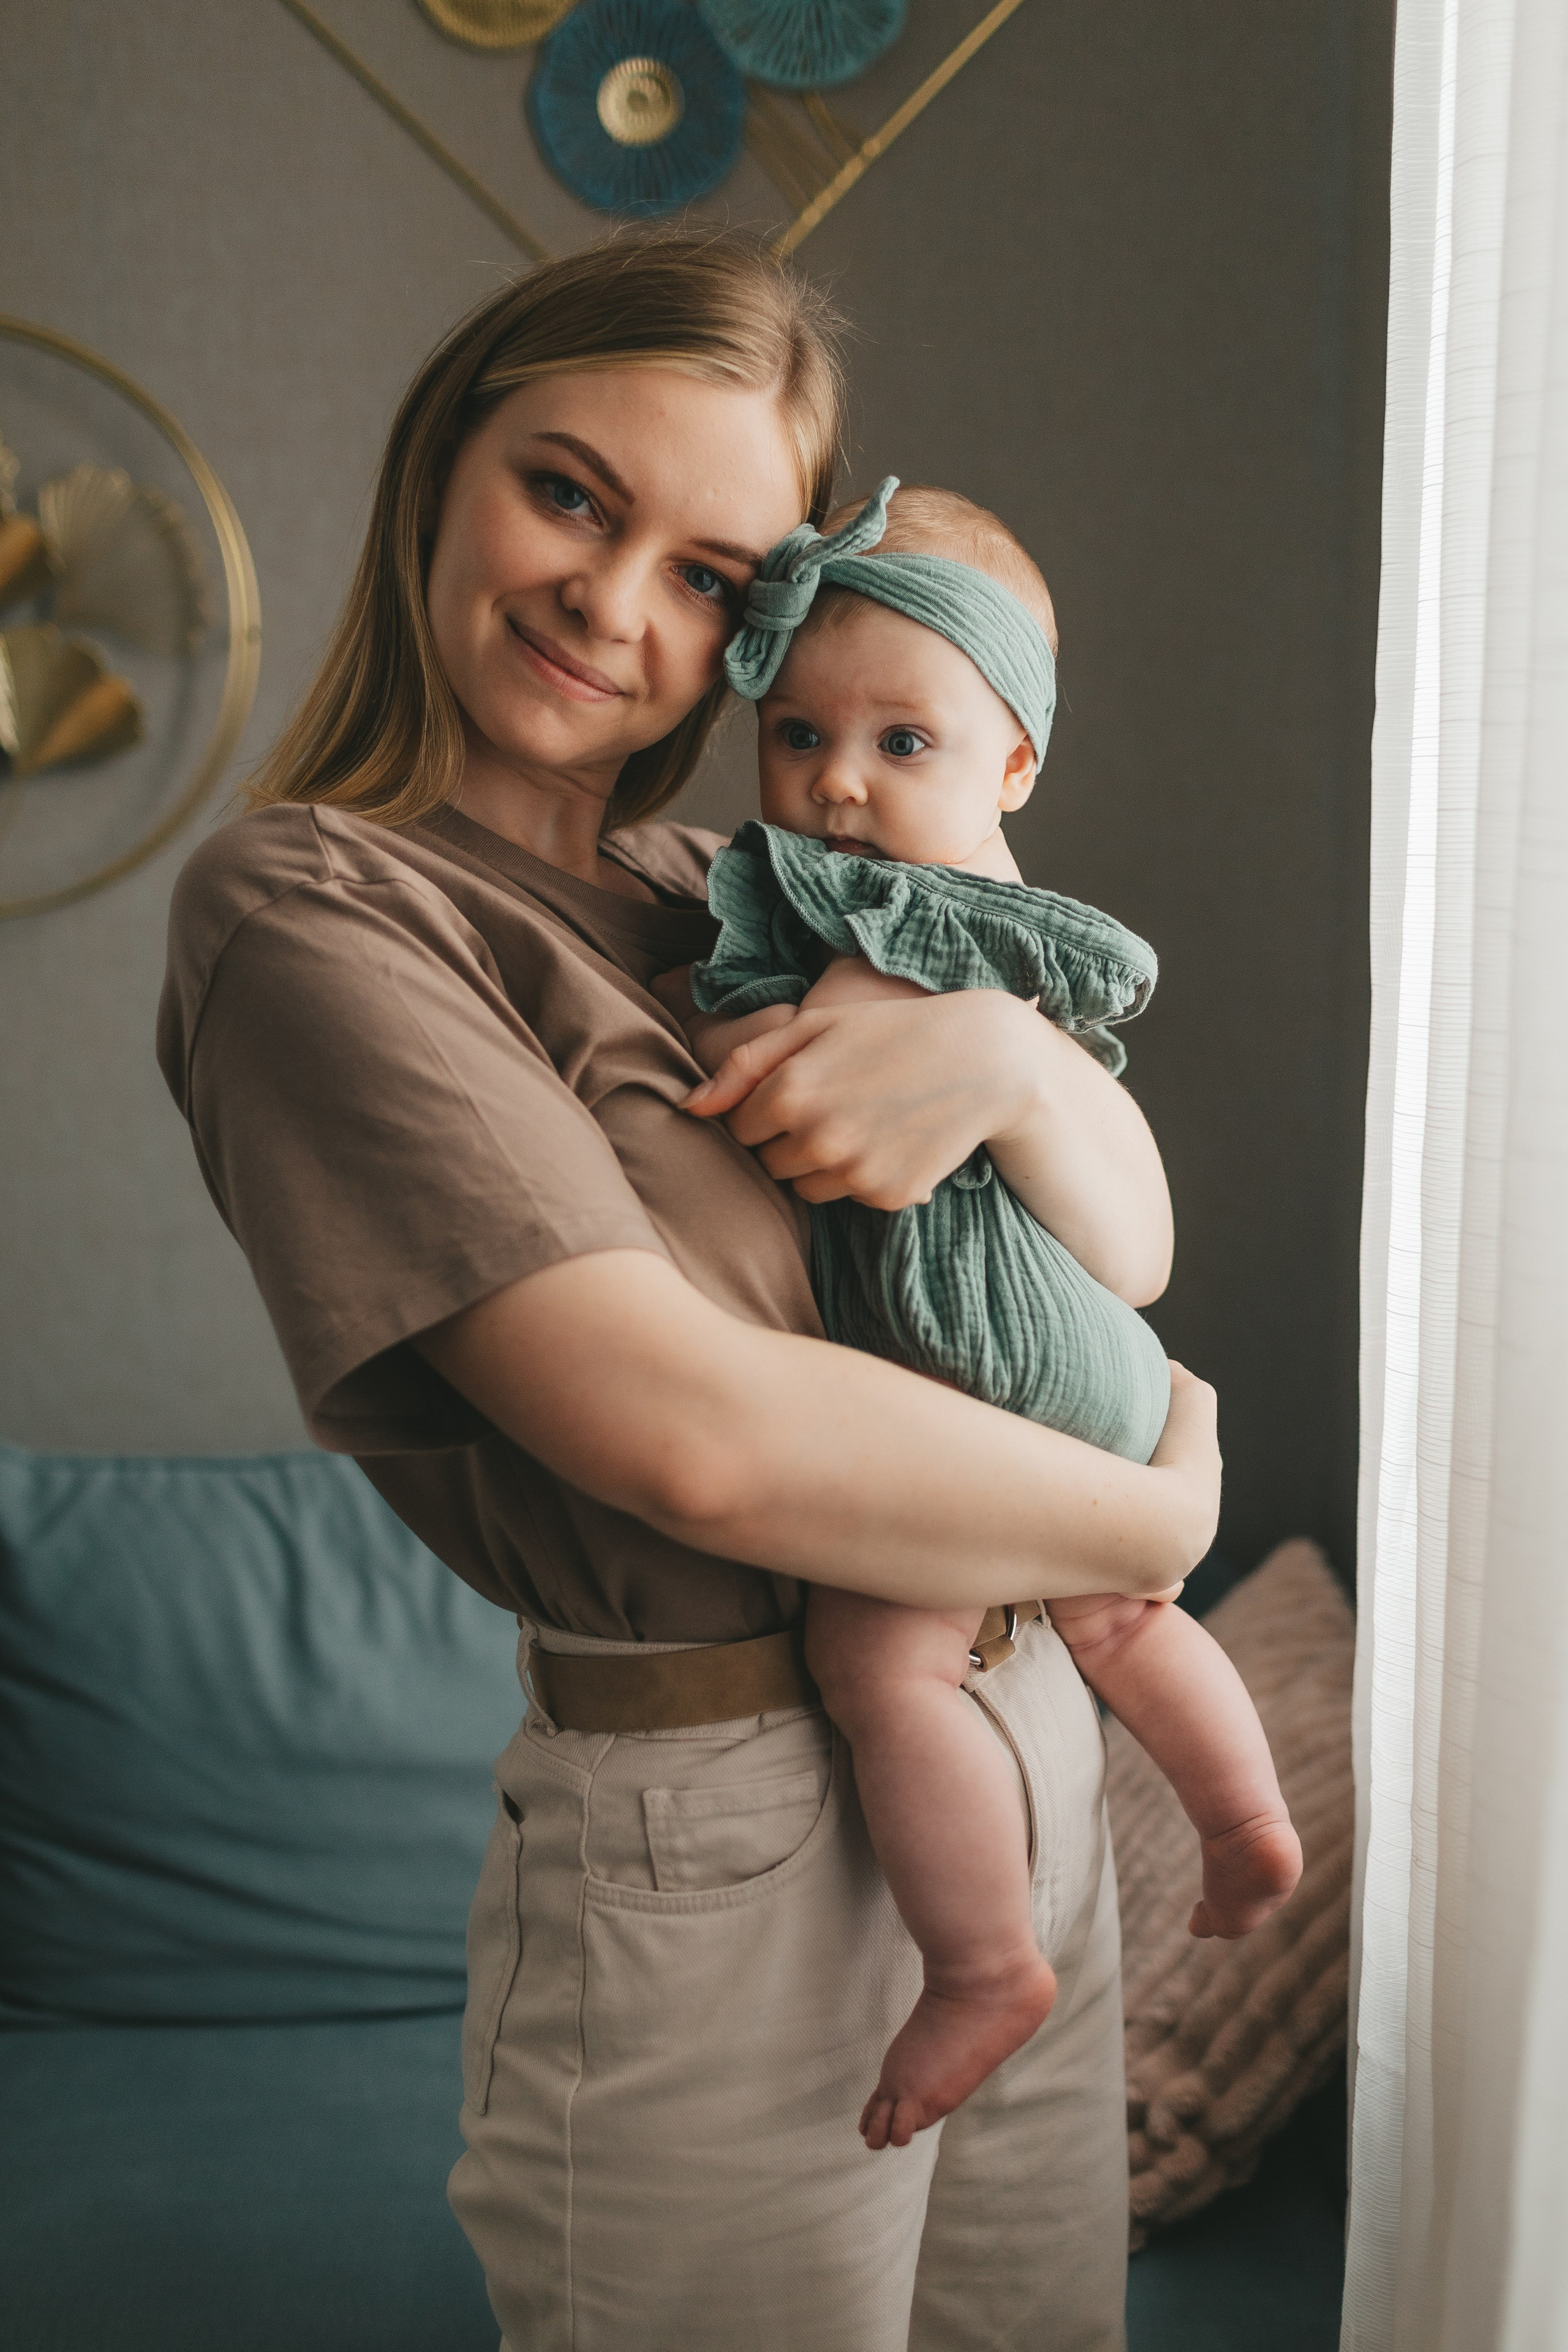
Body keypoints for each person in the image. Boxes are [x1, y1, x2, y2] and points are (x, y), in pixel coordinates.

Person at [156, 232, 1221, 2352]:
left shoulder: (727, 898)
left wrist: (1011, 1058)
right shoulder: (317, 909)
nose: (617, 601)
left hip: (1012, 1738)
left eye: (716, 573)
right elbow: (691, 1435)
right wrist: (1162, 1509)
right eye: (569, 493)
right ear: (443, 469)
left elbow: (1114, 1248)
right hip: (719, 1820)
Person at [658, 477, 1302, 2155]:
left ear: (1016, 766)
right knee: (1128, 1616)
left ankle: (981, 1961)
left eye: (905, 744)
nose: (841, 785)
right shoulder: (947, 919)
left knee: (876, 1663)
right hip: (1082, 1369)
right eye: (797, 734)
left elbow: (804, 1085)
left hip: (984, 1352)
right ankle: (1243, 1828)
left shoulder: (901, 927)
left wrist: (727, 1046)